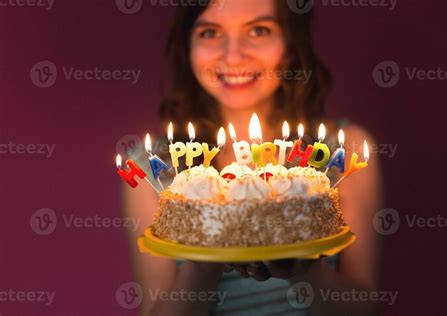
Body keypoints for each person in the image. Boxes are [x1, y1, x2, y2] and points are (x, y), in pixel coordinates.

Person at [122, 0, 382, 315]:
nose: (233, 56)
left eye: (259, 30)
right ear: (186, 43)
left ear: (291, 39)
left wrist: (304, 268)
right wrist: (204, 262)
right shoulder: (156, 167)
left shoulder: (342, 153)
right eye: (210, 32)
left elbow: (363, 310)